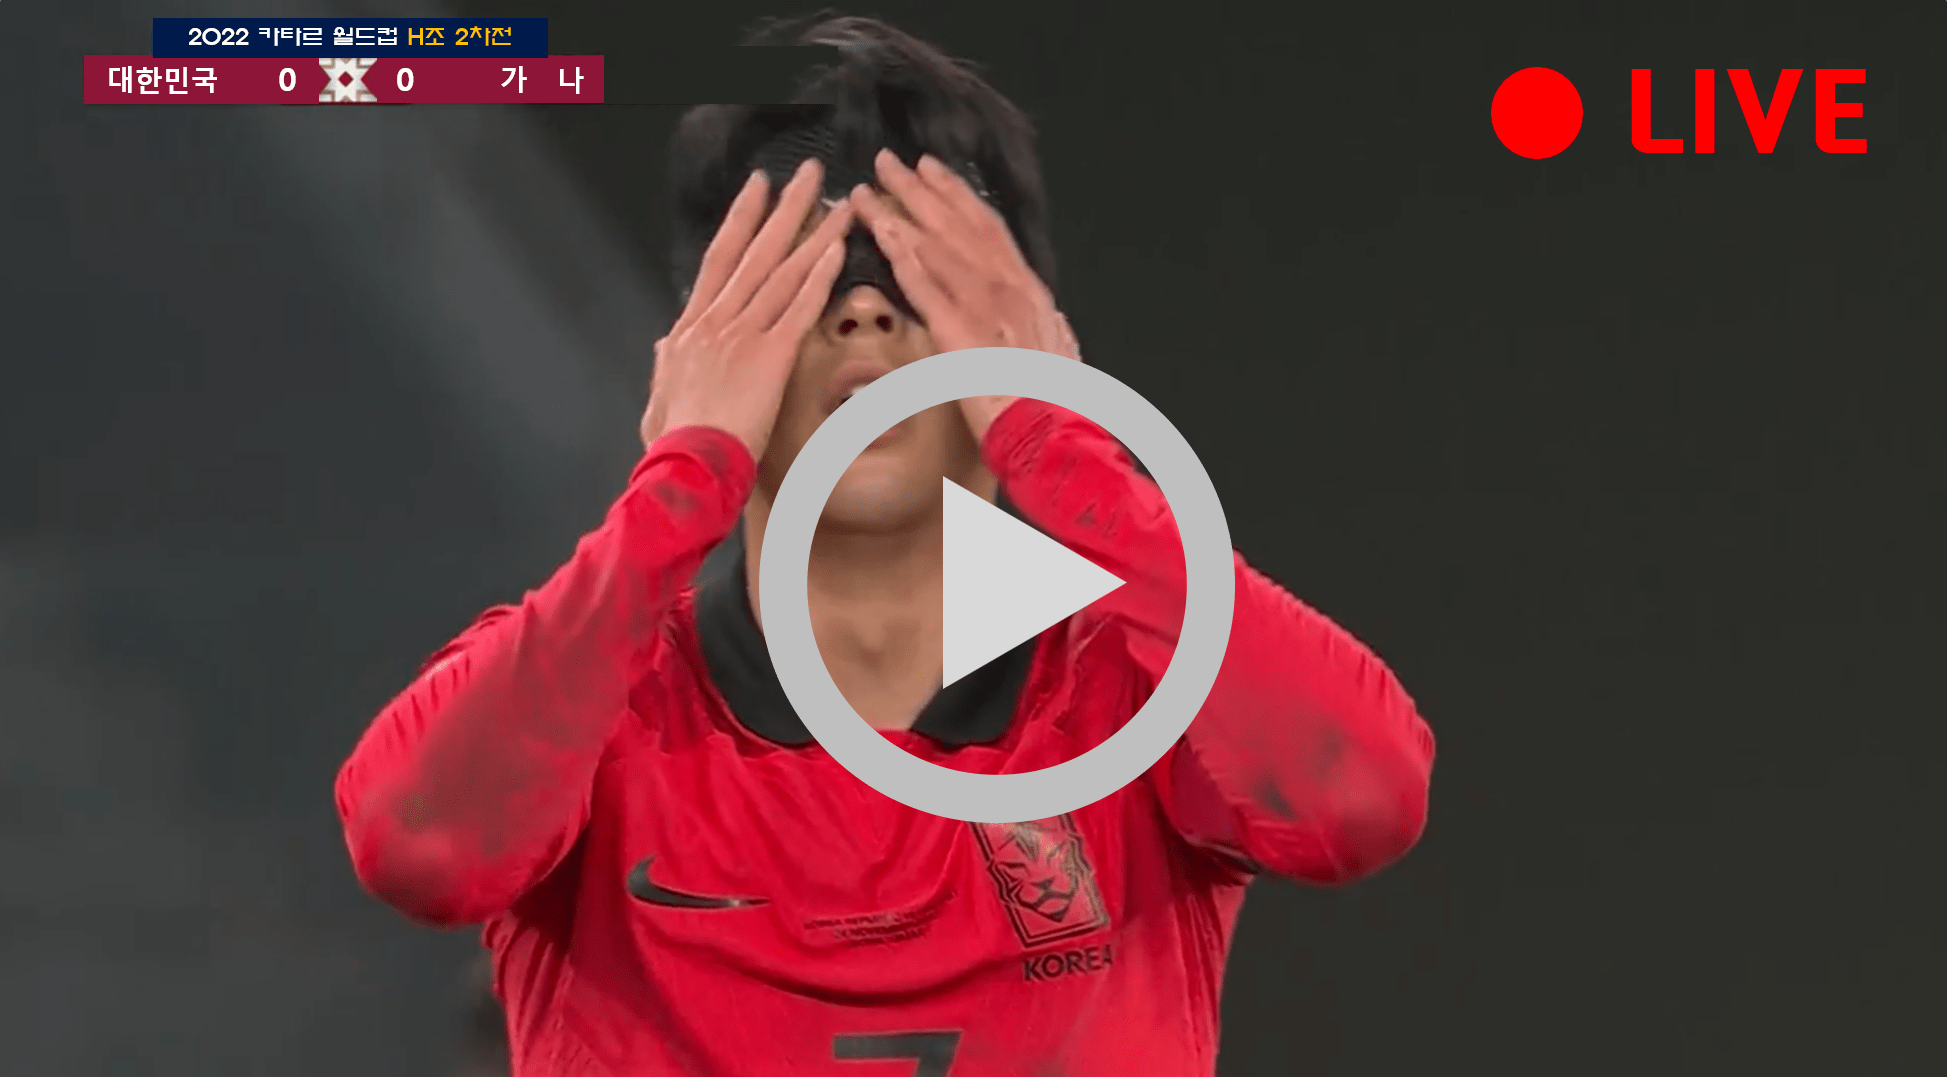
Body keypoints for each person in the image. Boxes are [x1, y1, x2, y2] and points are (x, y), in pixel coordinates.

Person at [335, 13, 1436, 1075]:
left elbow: (1360, 800)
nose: (863, 309)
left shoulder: (1136, 694)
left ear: (1025, 336)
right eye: (805, 271)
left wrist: (1064, 444)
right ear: (702, 351)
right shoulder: (587, 711)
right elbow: (419, 848)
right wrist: (681, 478)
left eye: (918, 272)